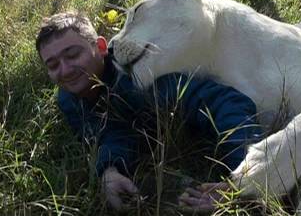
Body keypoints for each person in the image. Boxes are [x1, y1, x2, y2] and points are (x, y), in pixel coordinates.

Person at [36, 11, 260, 211]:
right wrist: (109, 171)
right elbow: (108, 132)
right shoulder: (68, 99)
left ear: (102, 48)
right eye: (53, 65)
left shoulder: (141, 78)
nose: (65, 70)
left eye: (73, 54)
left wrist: (243, 176)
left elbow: (227, 103)